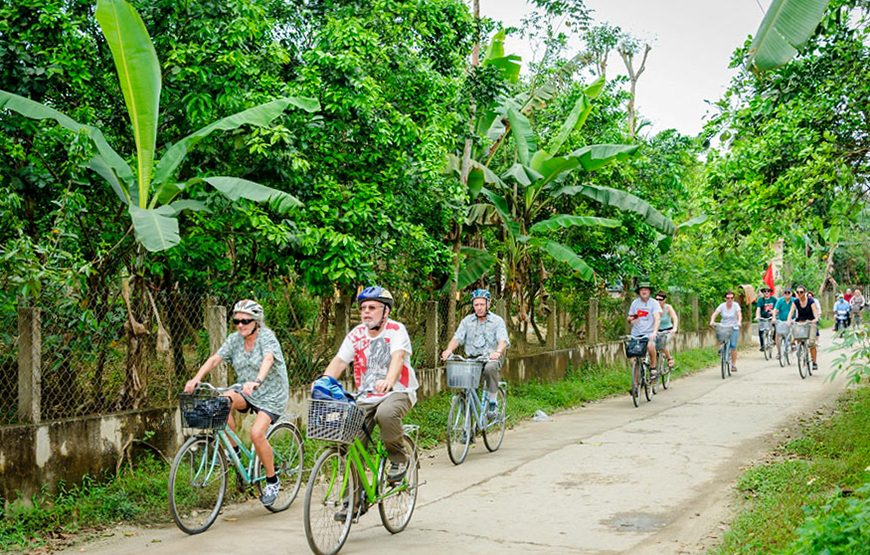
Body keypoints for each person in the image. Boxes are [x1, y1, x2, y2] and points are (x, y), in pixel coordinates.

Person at [184, 300, 289, 507]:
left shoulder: (266, 337)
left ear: (256, 321)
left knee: (257, 434)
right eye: (236, 321)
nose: (240, 325)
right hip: (247, 390)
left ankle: (272, 480)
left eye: (245, 321)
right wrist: (196, 378)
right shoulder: (235, 340)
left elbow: (268, 359)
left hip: (271, 394)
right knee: (221, 402)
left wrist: (257, 381)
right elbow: (215, 359)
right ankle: (236, 454)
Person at [321, 286, 418, 483]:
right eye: (363, 307)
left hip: (398, 391)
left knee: (386, 413)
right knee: (351, 443)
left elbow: (398, 357)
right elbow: (340, 361)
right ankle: (354, 502)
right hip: (365, 396)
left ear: (386, 311)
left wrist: (389, 381)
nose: (366, 312)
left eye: (372, 307)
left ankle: (398, 459)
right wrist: (324, 382)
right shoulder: (357, 334)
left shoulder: (396, 330)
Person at [441, 289, 509, 416]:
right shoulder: (467, 321)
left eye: (482, 304)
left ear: (488, 304)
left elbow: (503, 340)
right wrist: (449, 350)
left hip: (491, 357)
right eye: (476, 305)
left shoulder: (497, 321)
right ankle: (469, 418)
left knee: (489, 369)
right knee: (462, 379)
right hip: (472, 359)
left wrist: (498, 352)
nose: (479, 308)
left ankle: (493, 404)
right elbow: (457, 338)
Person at [627, 281, 661, 376]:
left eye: (646, 289)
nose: (644, 291)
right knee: (633, 359)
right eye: (642, 289)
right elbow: (629, 318)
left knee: (650, 346)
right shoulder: (635, 303)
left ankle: (653, 367)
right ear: (639, 292)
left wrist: (654, 332)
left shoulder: (654, 303)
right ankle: (636, 384)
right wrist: (631, 318)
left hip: (649, 333)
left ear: (649, 291)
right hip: (636, 334)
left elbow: (657, 318)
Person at [787, 286, 820, 372]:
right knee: (796, 335)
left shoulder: (810, 301)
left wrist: (815, 319)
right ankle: (798, 349)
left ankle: (814, 362)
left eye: (801, 292)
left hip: (810, 322)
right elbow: (791, 311)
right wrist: (789, 320)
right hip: (800, 322)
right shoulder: (796, 302)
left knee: (812, 343)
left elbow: (815, 311)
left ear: (805, 292)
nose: (799, 294)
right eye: (797, 292)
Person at [710, 291, 742, 371]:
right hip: (724, 326)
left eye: (732, 298)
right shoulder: (722, 306)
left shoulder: (736, 305)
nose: (730, 299)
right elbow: (715, 314)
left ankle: (733, 365)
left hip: (733, 327)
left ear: (734, 299)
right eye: (728, 298)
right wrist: (712, 321)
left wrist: (739, 321)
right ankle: (721, 349)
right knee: (720, 337)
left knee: (733, 346)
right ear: (725, 298)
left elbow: (739, 314)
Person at [654, 290, 679, 369]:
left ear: (664, 300)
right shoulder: (653, 308)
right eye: (656, 299)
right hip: (657, 330)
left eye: (660, 299)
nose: (658, 301)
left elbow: (674, 317)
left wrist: (674, 328)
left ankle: (669, 359)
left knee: (662, 343)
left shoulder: (668, 307)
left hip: (668, 331)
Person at [772, 288, 795, 359]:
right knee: (777, 335)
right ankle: (779, 352)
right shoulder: (780, 301)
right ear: (783, 294)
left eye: (789, 293)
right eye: (785, 293)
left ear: (791, 294)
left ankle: (793, 343)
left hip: (792, 320)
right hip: (781, 320)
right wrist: (774, 317)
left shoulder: (794, 300)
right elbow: (775, 310)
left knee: (795, 331)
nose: (787, 294)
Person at [754, 286, 777, 351]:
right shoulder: (761, 300)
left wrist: (774, 312)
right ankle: (762, 345)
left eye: (768, 291)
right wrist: (757, 316)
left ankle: (773, 340)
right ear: (763, 293)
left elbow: (777, 308)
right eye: (764, 291)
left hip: (772, 317)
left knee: (775, 327)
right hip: (763, 318)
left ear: (770, 292)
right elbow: (758, 309)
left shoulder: (774, 299)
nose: (766, 292)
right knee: (761, 330)